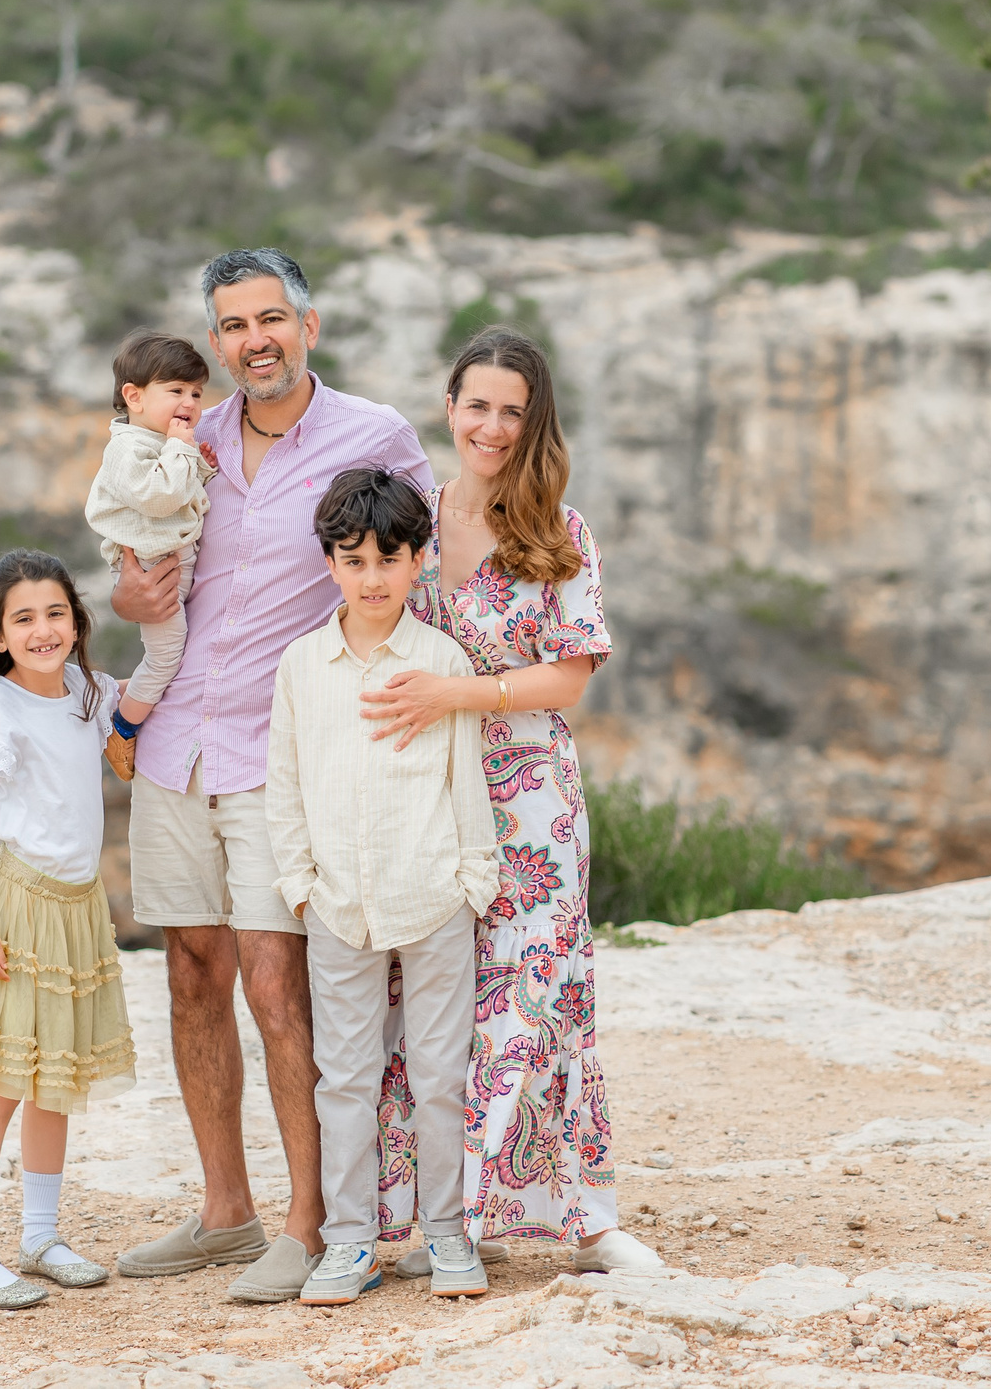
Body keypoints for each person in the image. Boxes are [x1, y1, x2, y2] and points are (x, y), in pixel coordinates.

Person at [110, 247, 434, 1304]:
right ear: (214, 341)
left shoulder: (372, 437)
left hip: (278, 753)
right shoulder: (184, 436)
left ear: (309, 324)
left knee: (274, 984)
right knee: (191, 974)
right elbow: (134, 575)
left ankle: (310, 1224)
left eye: (270, 319)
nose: (254, 340)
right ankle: (222, 1214)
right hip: (174, 747)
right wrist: (132, 604)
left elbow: (415, 571)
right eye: (233, 325)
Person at [360, 325, 666, 1275]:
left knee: (538, 994)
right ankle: (426, 1223)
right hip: (427, 791)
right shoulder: (406, 518)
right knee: (422, 1004)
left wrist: (461, 692)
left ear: (534, 423)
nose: (491, 425)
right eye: (477, 404)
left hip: (532, 798)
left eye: (512, 410)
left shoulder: (559, 530)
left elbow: (569, 676)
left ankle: (583, 1221)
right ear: (448, 408)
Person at [265, 469, 500, 1305]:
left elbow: (465, 779)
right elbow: (284, 785)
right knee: (346, 1080)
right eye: (354, 559)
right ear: (330, 562)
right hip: (337, 907)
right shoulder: (302, 666)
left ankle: (445, 1236)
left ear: (418, 560)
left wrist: (473, 882)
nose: (372, 578)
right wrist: (300, 884)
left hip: (434, 898)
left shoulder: (442, 662)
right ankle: (350, 1242)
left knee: (440, 1073)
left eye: (389, 559)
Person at [0, 550, 138, 1309]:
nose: (43, 629)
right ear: (0, 636)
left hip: (78, 908)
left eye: (56, 613)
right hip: (16, 907)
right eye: (24, 618)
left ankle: (40, 1235)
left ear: (77, 625)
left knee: (58, 1081)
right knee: (3, 1080)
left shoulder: (88, 691)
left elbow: (139, 720)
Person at [86, 331, 216, 782]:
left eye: (197, 393)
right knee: (165, 658)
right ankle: (121, 725)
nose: (190, 402)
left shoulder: (160, 441)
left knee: (172, 654)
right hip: (152, 570)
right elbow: (159, 496)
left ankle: (124, 705)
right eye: (176, 390)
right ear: (134, 396)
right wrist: (183, 450)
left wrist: (200, 462)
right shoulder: (125, 448)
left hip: (172, 565)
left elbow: (184, 490)